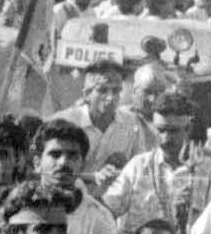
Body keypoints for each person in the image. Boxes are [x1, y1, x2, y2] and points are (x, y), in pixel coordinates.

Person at [103, 89, 211, 234]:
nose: (166, 138)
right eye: (161, 130)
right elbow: (107, 210)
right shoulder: (138, 166)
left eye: (174, 131)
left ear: (188, 129)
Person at [53, 60, 156, 193]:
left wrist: (122, 172)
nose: (110, 97)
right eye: (102, 90)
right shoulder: (64, 122)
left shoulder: (131, 123)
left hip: (110, 207)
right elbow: (48, 171)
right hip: (67, 203)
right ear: (86, 94)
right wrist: (93, 177)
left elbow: (141, 170)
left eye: (116, 91)